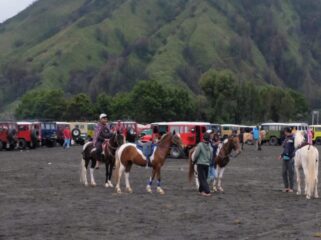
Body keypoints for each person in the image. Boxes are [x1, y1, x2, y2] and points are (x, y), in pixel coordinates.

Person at [192, 132, 213, 196]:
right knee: (204, 177)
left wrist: (194, 160)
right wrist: (209, 161)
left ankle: (207, 191)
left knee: (201, 178)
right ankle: (201, 190)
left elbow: (196, 154)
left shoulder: (200, 144)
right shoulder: (209, 145)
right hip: (207, 164)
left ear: (203, 138)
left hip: (200, 164)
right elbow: (211, 154)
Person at [278, 127, 295, 193]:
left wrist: (282, 155)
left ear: (287, 131)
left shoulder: (293, 138)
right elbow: (285, 149)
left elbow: (288, 148)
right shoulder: (286, 138)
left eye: (285, 131)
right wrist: (282, 155)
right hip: (285, 158)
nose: (284, 132)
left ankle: (291, 188)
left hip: (290, 158)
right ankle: (286, 187)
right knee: (284, 173)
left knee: (291, 173)